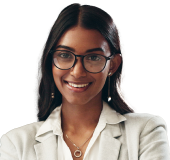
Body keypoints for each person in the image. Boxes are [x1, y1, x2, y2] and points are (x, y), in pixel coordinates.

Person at [0, 2, 169, 160]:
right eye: (65, 55)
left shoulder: (145, 132)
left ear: (113, 65)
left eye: (93, 57)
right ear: (50, 61)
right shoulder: (16, 143)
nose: (78, 71)